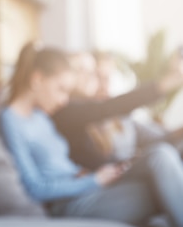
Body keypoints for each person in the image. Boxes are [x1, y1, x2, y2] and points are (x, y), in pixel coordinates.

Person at [0, 41, 183, 227]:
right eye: (60, 89)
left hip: (86, 187)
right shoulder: (10, 120)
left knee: (160, 156)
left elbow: (62, 166)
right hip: (69, 204)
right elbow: (34, 187)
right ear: (37, 80)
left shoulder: (41, 117)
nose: (64, 100)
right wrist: (94, 180)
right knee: (164, 180)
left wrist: (93, 175)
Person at [55, 49, 183, 170]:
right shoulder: (68, 112)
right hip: (109, 184)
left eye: (92, 71)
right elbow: (110, 107)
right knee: (160, 156)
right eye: (80, 70)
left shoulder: (120, 118)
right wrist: (166, 83)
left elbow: (158, 139)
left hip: (124, 173)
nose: (90, 77)